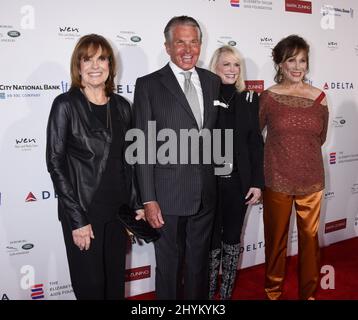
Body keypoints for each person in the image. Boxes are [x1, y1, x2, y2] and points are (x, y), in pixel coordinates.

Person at [46, 34, 142, 300]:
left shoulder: (123, 106)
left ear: (110, 64)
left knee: (114, 288)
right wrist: (77, 220)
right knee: (91, 289)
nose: (95, 65)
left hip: (117, 214)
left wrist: (136, 205)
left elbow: (130, 161)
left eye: (101, 58)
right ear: (78, 67)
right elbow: (55, 163)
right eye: (87, 59)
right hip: (85, 214)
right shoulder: (65, 105)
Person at [132, 16, 221, 299]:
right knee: (169, 266)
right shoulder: (148, 84)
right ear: (168, 47)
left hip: (205, 192)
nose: (187, 49)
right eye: (180, 42)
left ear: (201, 45)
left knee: (198, 265)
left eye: (193, 42)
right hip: (166, 194)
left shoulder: (212, 81)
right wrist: (148, 199)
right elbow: (143, 146)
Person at [259, 35, 329, 300]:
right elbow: (255, 136)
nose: (298, 67)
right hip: (276, 179)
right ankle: (273, 293)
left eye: (302, 60)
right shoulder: (268, 97)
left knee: (310, 242)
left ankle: (308, 295)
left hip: (311, 181)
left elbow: (319, 138)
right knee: (275, 243)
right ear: (280, 63)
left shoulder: (320, 97)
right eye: (291, 60)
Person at [207, 45, 264, 300]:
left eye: (236, 65)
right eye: (227, 64)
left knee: (232, 237)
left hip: (237, 184)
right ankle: (207, 295)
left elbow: (255, 143)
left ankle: (226, 294)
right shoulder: (203, 97)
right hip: (207, 184)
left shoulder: (249, 99)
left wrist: (256, 182)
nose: (232, 70)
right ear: (215, 67)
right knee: (209, 241)